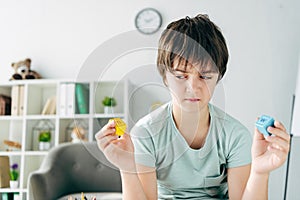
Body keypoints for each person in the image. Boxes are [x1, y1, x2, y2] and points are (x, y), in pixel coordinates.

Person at [96, 14, 290, 200]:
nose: (193, 87)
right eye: (181, 76)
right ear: (165, 77)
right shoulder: (146, 132)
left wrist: (260, 172)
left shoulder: (235, 135)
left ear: (218, 77)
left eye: (205, 76)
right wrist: (127, 168)